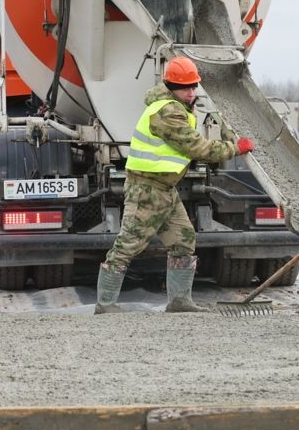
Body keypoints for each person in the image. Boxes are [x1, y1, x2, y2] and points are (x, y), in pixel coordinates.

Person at [95, 56, 254, 314]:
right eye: (185, 88)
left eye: (194, 87)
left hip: (165, 189)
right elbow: (197, 147)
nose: (191, 92)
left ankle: (179, 302)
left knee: (184, 239)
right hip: (146, 189)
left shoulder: (179, 107)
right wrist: (235, 148)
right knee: (128, 245)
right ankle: (105, 304)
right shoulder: (167, 111)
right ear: (170, 86)